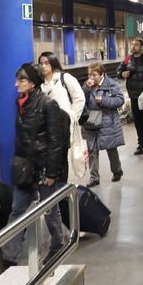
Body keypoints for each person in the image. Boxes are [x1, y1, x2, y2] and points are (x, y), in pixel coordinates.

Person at [1, 63, 68, 267]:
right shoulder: (21, 103)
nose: (16, 84)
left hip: (43, 167)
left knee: (50, 210)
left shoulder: (48, 104)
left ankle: (58, 244)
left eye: (21, 80)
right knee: (17, 210)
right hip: (25, 167)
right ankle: (8, 255)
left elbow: (56, 141)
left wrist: (51, 171)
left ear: (32, 82)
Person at [38, 51, 87, 185]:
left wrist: (71, 117)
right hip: (45, 128)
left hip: (62, 127)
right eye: (41, 63)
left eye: (47, 63)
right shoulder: (39, 84)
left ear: (53, 63)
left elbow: (79, 97)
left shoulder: (64, 78)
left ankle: (61, 188)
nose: (43, 66)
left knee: (60, 158)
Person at [81, 63, 126, 185]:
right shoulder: (87, 86)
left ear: (102, 75)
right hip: (91, 122)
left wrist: (104, 101)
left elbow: (120, 100)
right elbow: (80, 99)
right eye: (89, 74)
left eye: (94, 75)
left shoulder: (111, 85)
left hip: (107, 122)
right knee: (92, 150)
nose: (91, 77)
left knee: (111, 148)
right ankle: (94, 177)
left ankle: (117, 170)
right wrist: (86, 88)